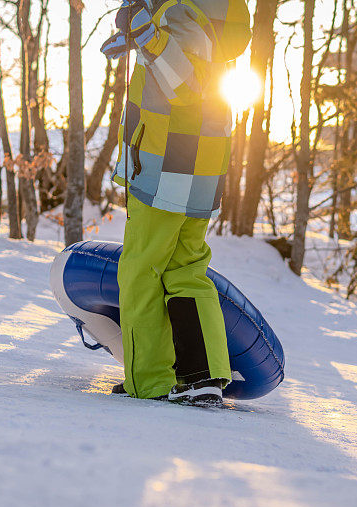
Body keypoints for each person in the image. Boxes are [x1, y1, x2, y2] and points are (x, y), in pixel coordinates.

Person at [100, 0, 251, 405]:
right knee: (185, 268)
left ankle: (149, 382)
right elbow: (193, 64)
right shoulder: (212, 12)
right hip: (201, 165)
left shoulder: (179, 11)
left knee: (141, 269)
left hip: (164, 162)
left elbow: (184, 84)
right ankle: (201, 378)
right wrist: (137, 34)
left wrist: (147, 34)